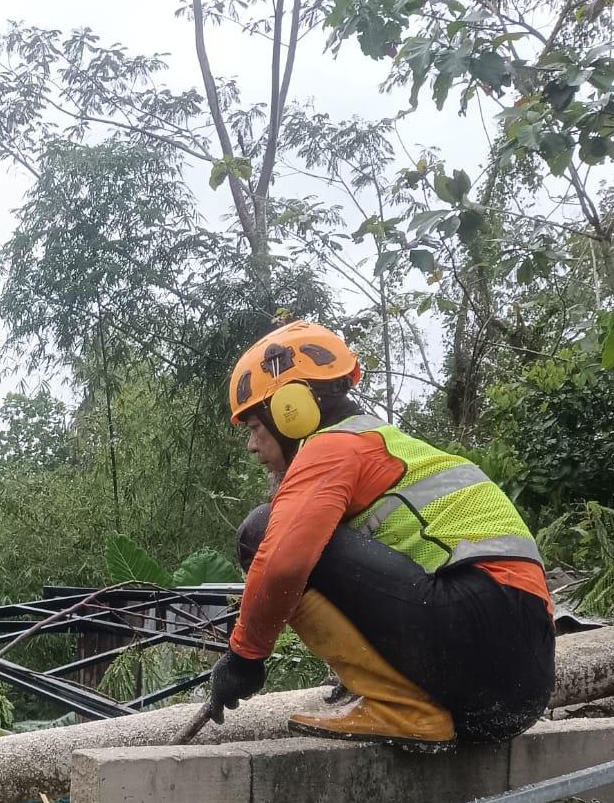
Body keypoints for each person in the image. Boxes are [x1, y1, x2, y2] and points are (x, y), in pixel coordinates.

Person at [207, 320, 555, 751]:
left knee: (261, 532)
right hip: (515, 685)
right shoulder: (386, 445)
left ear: (289, 409)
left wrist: (244, 658)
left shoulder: (333, 447)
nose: (252, 446)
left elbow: (283, 564)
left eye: (256, 429)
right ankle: (398, 697)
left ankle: (402, 707)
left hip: (477, 633)